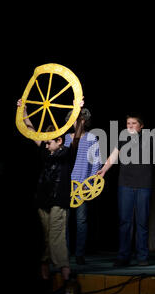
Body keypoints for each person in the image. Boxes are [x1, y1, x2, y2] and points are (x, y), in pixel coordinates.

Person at [97, 113, 155, 267]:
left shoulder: (149, 138)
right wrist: (104, 170)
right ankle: (123, 256)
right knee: (125, 222)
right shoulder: (122, 138)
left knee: (142, 221)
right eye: (128, 123)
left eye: (133, 123)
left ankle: (142, 256)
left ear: (141, 126)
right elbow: (113, 156)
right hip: (125, 185)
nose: (130, 126)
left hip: (143, 185)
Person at [17, 99, 72, 285]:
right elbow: (30, 130)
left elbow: (78, 137)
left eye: (49, 142)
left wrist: (78, 116)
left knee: (56, 237)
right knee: (43, 239)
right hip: (42, 200)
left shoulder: (66, 153)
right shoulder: (44, 150)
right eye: (45, 142)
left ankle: (66, 278)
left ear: (59, 140)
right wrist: (24, 111)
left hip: (59, 200)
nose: (46, 145)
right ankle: (45, 278)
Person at [63, 104, 101, 265]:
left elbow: (96, 163)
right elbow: (61, 161)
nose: (77, 122)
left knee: (81, 221)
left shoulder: (92, 138)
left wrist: (89, 183)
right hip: (65, 186)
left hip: (82, 186)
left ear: (85, 121)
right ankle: (63, 254)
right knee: (63, 221)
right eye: (73, 120)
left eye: (79, 120)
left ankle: (79, 254)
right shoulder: (65, 138)